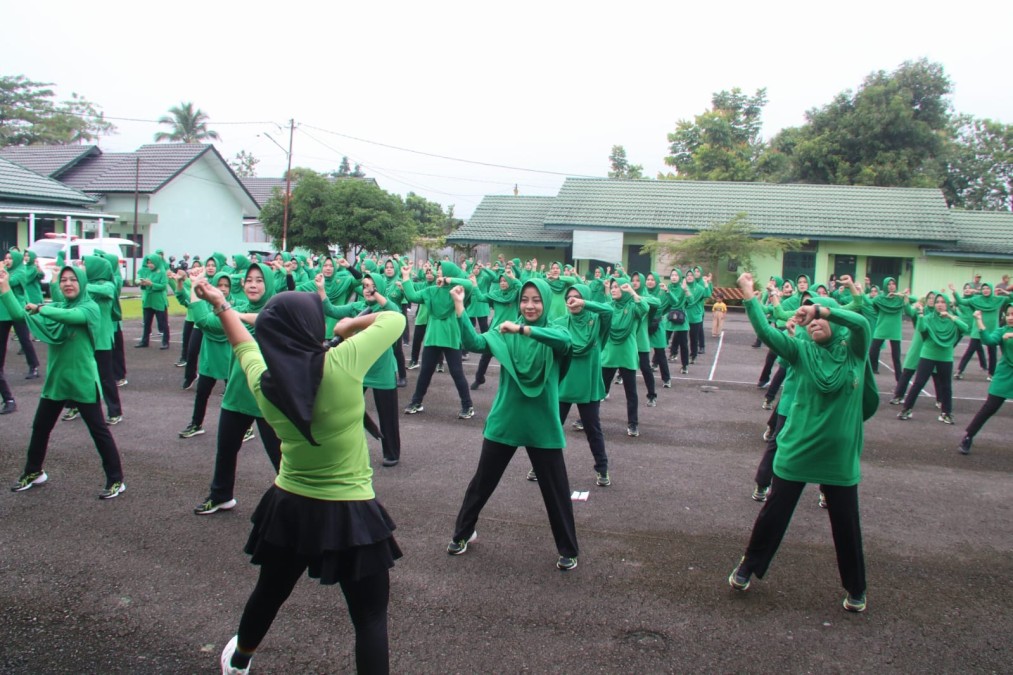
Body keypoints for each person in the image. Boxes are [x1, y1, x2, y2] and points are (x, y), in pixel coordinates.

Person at [193, 281, 404, 675]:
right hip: (351, 511)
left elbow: (243, 345)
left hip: (290, 505)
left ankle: (239, 662)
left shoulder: (265, 384)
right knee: (370, 619)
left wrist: (221, 304)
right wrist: (343, 329)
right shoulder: (342, 363)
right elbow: (394, 318)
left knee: (269, 593)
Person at [729, 272, 877, 613]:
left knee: (846, 526)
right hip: (796, 452)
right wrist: (750, 295)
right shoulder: (800, 352)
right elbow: (766, 332)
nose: (812, 323)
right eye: (807, 318)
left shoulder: (853, 350)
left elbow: (861, 323)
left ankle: (856, 588)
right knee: (772, 517)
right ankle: (748, 567)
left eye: (818, 315)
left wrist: (822, 310)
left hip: (838, 459)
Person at [445, 279, 579, 571]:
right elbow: (474, 343)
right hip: (506, 417)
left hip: (542, 421)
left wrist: (523, 329)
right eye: (525, 300)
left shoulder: (554, 329)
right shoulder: (504, 329)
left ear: (545, 301)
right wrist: (459, 306)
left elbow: (566, 343)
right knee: (482, 482)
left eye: (536, 300)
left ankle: (568, 549)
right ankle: (462, 533)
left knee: (555, 489)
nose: (529, 306)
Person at [0, 266, 126, 499]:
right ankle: (34, 471)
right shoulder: (56, 307)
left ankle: (116, 480)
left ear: (82, 283)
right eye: (63, 280)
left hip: (82, 380)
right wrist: (4, 286)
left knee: (99, 431)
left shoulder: (90, 307)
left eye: (73, 280)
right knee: (40, 428)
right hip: (57, 380)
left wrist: (40, 308)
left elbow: (72, 316)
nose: (68, 284)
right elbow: (19, 315)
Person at [191, 263, 283, 515]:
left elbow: (266, 320)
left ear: (269, 284)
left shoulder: (276, 310)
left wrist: (227, 310)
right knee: (226, 449)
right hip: (237, 394)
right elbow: (204, 321)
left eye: (259, 280)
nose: (253, 285)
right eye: (249, 280)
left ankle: (297, 503)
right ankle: (221, 495)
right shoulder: (238, 308)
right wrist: (194, 290)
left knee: (282, 458)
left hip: (268, 397)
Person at [555, 283, 613, 486]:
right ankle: (540, 466)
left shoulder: (597, 322)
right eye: (569, 297)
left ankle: (602, 469)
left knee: (593, 430)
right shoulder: (560, 323)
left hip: (588, 387)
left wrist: (585, 303)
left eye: (577, 296)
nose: (573, 300)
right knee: (552, 428)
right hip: (563, 386)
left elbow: (609, 309)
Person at [897, 293, 967, 425]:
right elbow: (921, 328)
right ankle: (907, 409)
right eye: (937, 302)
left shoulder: (953, 319)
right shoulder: (928, 318)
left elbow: (965, 328)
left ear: (947, 304)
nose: (940, 304)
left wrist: (951, 317)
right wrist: (922, 315)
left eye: (942, 302)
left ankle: (946, 413)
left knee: (946, 386)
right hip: (928, 355)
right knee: (918, 383)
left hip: (945, 357)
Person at [957, 306, 1013, 454]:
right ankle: (968, 437)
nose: (1010, 317)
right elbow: (989, 341)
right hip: (1005, 374)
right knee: (989, 408)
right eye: (1008, 315)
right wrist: (979, 320)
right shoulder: (1002, 331)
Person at [136, 253, 170, 349]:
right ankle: (144, 341)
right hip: (148, 300)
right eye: (148, 263)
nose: (150, 265)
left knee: (163, 323)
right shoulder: (147, 272)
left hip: (159, 301)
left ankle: (165, 342)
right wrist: (142, 283)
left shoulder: (162, 272)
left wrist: (151, 284)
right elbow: (142, 282)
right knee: (147, 322)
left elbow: (163, 286)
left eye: (151, 263)